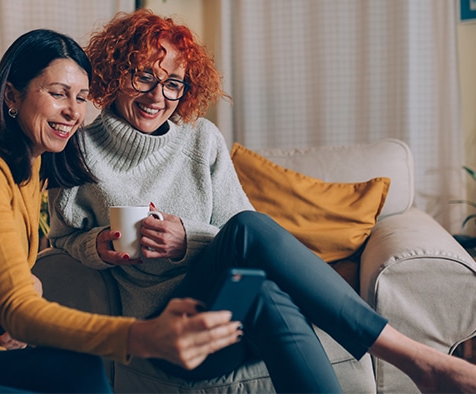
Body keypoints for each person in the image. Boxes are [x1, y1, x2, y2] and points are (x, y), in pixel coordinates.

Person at [47, 9, 476, 393]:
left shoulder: (201, 141)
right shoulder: (79, 148)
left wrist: (187, 240)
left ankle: (419, 363)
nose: (157, 96)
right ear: (116, 70)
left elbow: (245, 237)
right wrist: (99, 245)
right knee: (259, 268)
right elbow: (64, 238)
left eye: (173, 83)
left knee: (258, 270)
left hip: (233, 314)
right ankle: (417, 360)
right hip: (172, 333)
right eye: (144, 76)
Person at [0, 28, 243, 394]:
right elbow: (18, 307)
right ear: (11, 93)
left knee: (81, 373)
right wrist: (142, 336)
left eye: (81, 97)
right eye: (57, 93)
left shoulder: (30, 166)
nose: (72, 112)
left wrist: (23, 286)